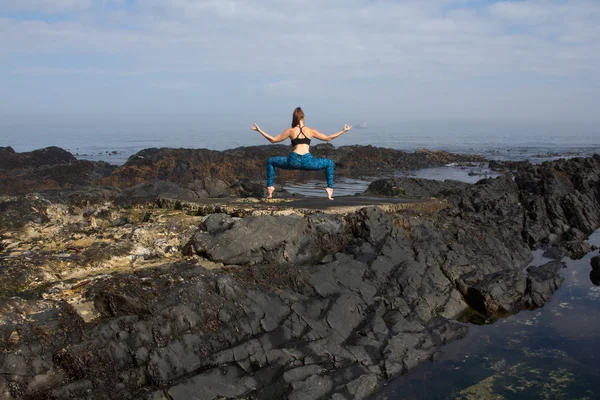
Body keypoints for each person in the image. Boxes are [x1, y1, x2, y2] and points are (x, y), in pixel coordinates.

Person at [251, 107, 352, 200]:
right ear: (304, 117)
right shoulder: (310, 131)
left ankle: (270, 188)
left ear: (294, 118)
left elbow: (273, 140)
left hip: (293, 161)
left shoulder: (290, 131)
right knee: (329, 163)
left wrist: (259, 130)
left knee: (270, 161)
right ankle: (329, 189)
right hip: (308, 162)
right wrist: (343, 131)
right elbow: (328, 138)